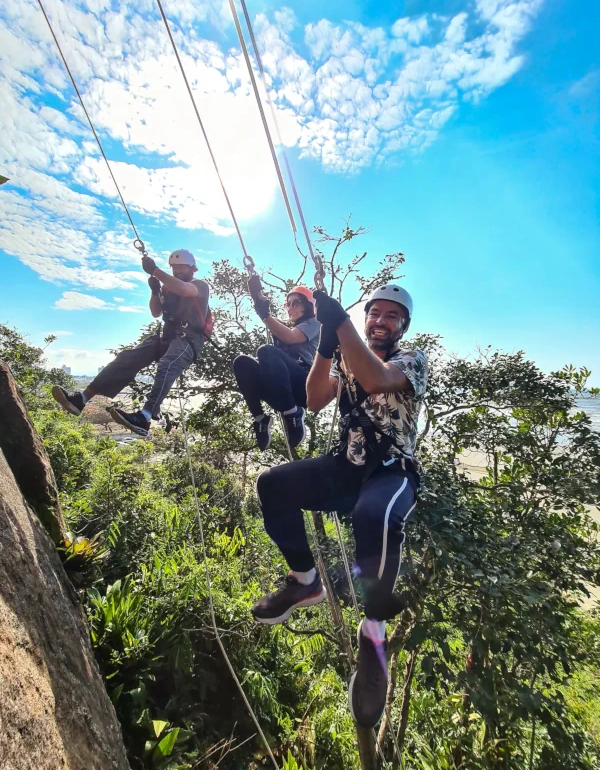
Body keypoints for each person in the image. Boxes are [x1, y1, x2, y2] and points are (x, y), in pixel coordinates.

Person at [251, 284, 428, 729]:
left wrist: (341, 324)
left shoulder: (411, 361)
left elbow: (377, 380)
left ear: (402, 326)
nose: (381, 322)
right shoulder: (349, 355)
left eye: (392, 316)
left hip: (391, 470)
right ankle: (305, 582)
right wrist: (326, 349)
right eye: (375, 314)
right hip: (346, 466)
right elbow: (313, 399)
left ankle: (374, 639)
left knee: (375, 516)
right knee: (272, 485)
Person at [52, 249, 210, 437]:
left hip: (189, 341)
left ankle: (145, 416)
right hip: (167, 338)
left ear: (192, 268)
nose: (177, 271)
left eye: (182, 267)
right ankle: (82, 398)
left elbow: (184, 290)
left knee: (167, 366)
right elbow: (156, 312)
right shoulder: (168, 288)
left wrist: (155, 271)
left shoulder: (200, 286)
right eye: (174, 268)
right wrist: (155, 291)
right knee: (127, 358)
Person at [233, 278, 321, 450]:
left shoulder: (314, 323)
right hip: (281, 389)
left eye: (296, 303)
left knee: (266, 351)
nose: (291, 307)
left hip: (302, 385)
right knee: (241, 362)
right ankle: (260, 419)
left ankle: (293, 416)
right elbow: (275, 324)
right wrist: (258, 299)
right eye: (288, 304)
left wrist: (265, 316)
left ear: (308, 306)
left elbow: (291, 336)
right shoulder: (285, 325)